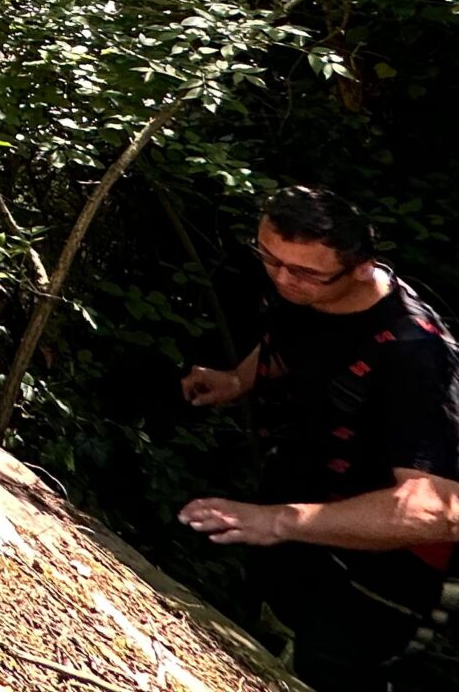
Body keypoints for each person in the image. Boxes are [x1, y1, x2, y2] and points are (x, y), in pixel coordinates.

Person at [178, 185, 459, 691]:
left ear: (359, 267)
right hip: (302, 529)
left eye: (304, 272)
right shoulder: (305, 292)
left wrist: (280, 521)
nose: (284, 279)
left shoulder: (415, 354)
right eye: (270, 260)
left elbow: (436, 511)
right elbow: (290, 339)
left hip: (383, 577)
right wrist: (238, 380)